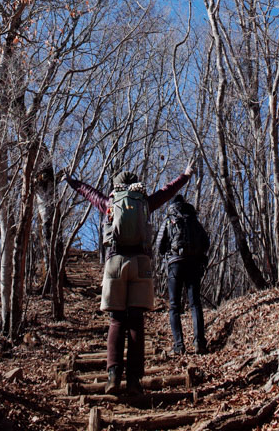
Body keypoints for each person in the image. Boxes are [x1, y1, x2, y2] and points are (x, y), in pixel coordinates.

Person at [64, 163, 193, 395]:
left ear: (117, 185)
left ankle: (113, 375)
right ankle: (134, 380)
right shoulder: (145, 202)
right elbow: (168, 191)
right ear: (135, 183)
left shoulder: (110, 203)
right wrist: (185, 175)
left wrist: (72, 181)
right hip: (141, 264)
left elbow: (89, 192)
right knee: (135, 321)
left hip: (115, 263)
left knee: (116, 321)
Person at [158, 194, 210, 355]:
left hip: (175, 264)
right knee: (195, 304)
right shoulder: (194, 220)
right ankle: (199, 342)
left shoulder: (169, 219)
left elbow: (160, 245)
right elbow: (206, 243)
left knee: (174, 306)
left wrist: (168, 256)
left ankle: (179, 345)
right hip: (193, 264)